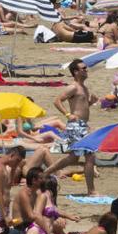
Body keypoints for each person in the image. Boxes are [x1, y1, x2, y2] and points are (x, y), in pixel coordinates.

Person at [41, 59, 98, 196]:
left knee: (73, 158)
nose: (86, 70)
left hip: (81, 125)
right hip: (76, 125)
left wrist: (90, 102)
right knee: (90, 156)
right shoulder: (73, 87)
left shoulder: (84, 87)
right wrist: (67, 114)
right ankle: (91, 191)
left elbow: (80, 107)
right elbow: (57, 100)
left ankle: (44, 174)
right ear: (76, 72)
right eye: (83, 68)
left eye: (86, 68)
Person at [0, 146, 27, 234]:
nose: (17, 163)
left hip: (4, 208)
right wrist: (4, 215)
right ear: (12, 155)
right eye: (17, 160)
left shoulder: (5, 168)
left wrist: (13, 169)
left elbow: (9, 186)